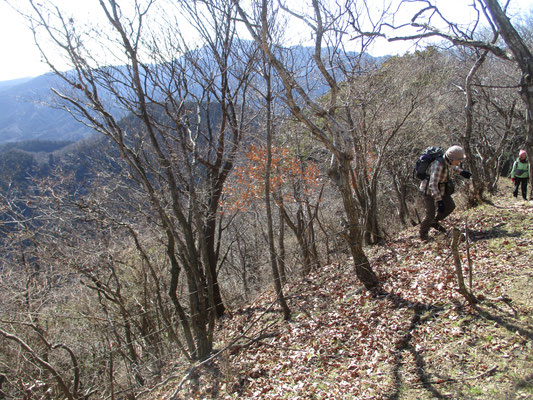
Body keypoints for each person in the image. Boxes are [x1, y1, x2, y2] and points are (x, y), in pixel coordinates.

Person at [419, 145, 472, 241]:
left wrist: (462, 172)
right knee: (430, 213)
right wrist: (439, 201)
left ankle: (434, 221)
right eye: (458, 160)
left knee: (450, 206)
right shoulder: (438, 166)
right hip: (428, 190)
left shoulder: (448, 161)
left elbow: (452, 167)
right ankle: (423, 234)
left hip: (441, 189)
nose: (459, 162)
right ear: (451, 158)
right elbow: (432, 185)